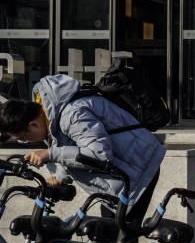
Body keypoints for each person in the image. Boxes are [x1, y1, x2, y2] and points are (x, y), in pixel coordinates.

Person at [0, 74, 164, 225]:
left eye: (22, 138)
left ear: (33, 125)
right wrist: (60, 177)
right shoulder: (51, 114)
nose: (25, 142)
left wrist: (50, 153)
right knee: (107, 235)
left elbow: (99, 155)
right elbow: (69, 145)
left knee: (120, 241)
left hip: (138, 168)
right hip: (120, 174)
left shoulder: (72, 115)